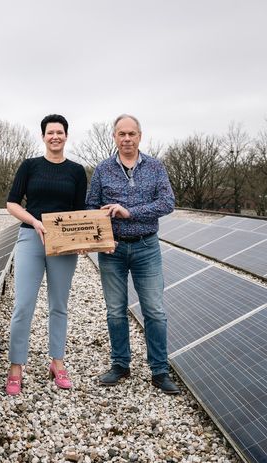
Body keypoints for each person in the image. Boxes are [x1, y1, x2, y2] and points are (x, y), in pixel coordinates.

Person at [85, 114, 179, 394]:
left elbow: (167, 203)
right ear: (114, 137)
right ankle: (120, 365)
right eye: (121, 134)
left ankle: (160, 371)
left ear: (140, 136)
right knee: (115, 311)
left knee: (155, 311)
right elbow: (90, 206)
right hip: (112, 250)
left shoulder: (155, 167)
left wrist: (130, 212)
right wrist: (104, 233)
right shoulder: (102, 170)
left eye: (131, 134)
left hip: (146, 247)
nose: (126, 139)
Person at [5, 114, 87, 396]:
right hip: (31, 237)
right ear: (43, 136)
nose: (55, 137)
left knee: (59, 305)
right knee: (23, 305)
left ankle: (58, 362)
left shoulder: (76, 172)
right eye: (50, 132)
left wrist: (83, 239)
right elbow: (12, 203)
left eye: (60, 132)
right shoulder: (29, 167)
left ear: (66, 136)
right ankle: (16, 366)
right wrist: (36, 222)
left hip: (63, 244)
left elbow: (80, 212)